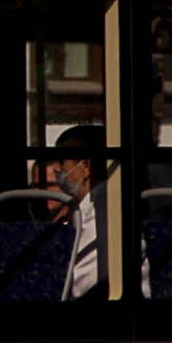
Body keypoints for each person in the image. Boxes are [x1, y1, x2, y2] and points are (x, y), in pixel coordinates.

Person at [45, 123, 108, 299]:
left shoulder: (100, 215)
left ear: (86, 166)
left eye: (62, 160)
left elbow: (83, 285)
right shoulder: (83, 210)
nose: (57, 169)